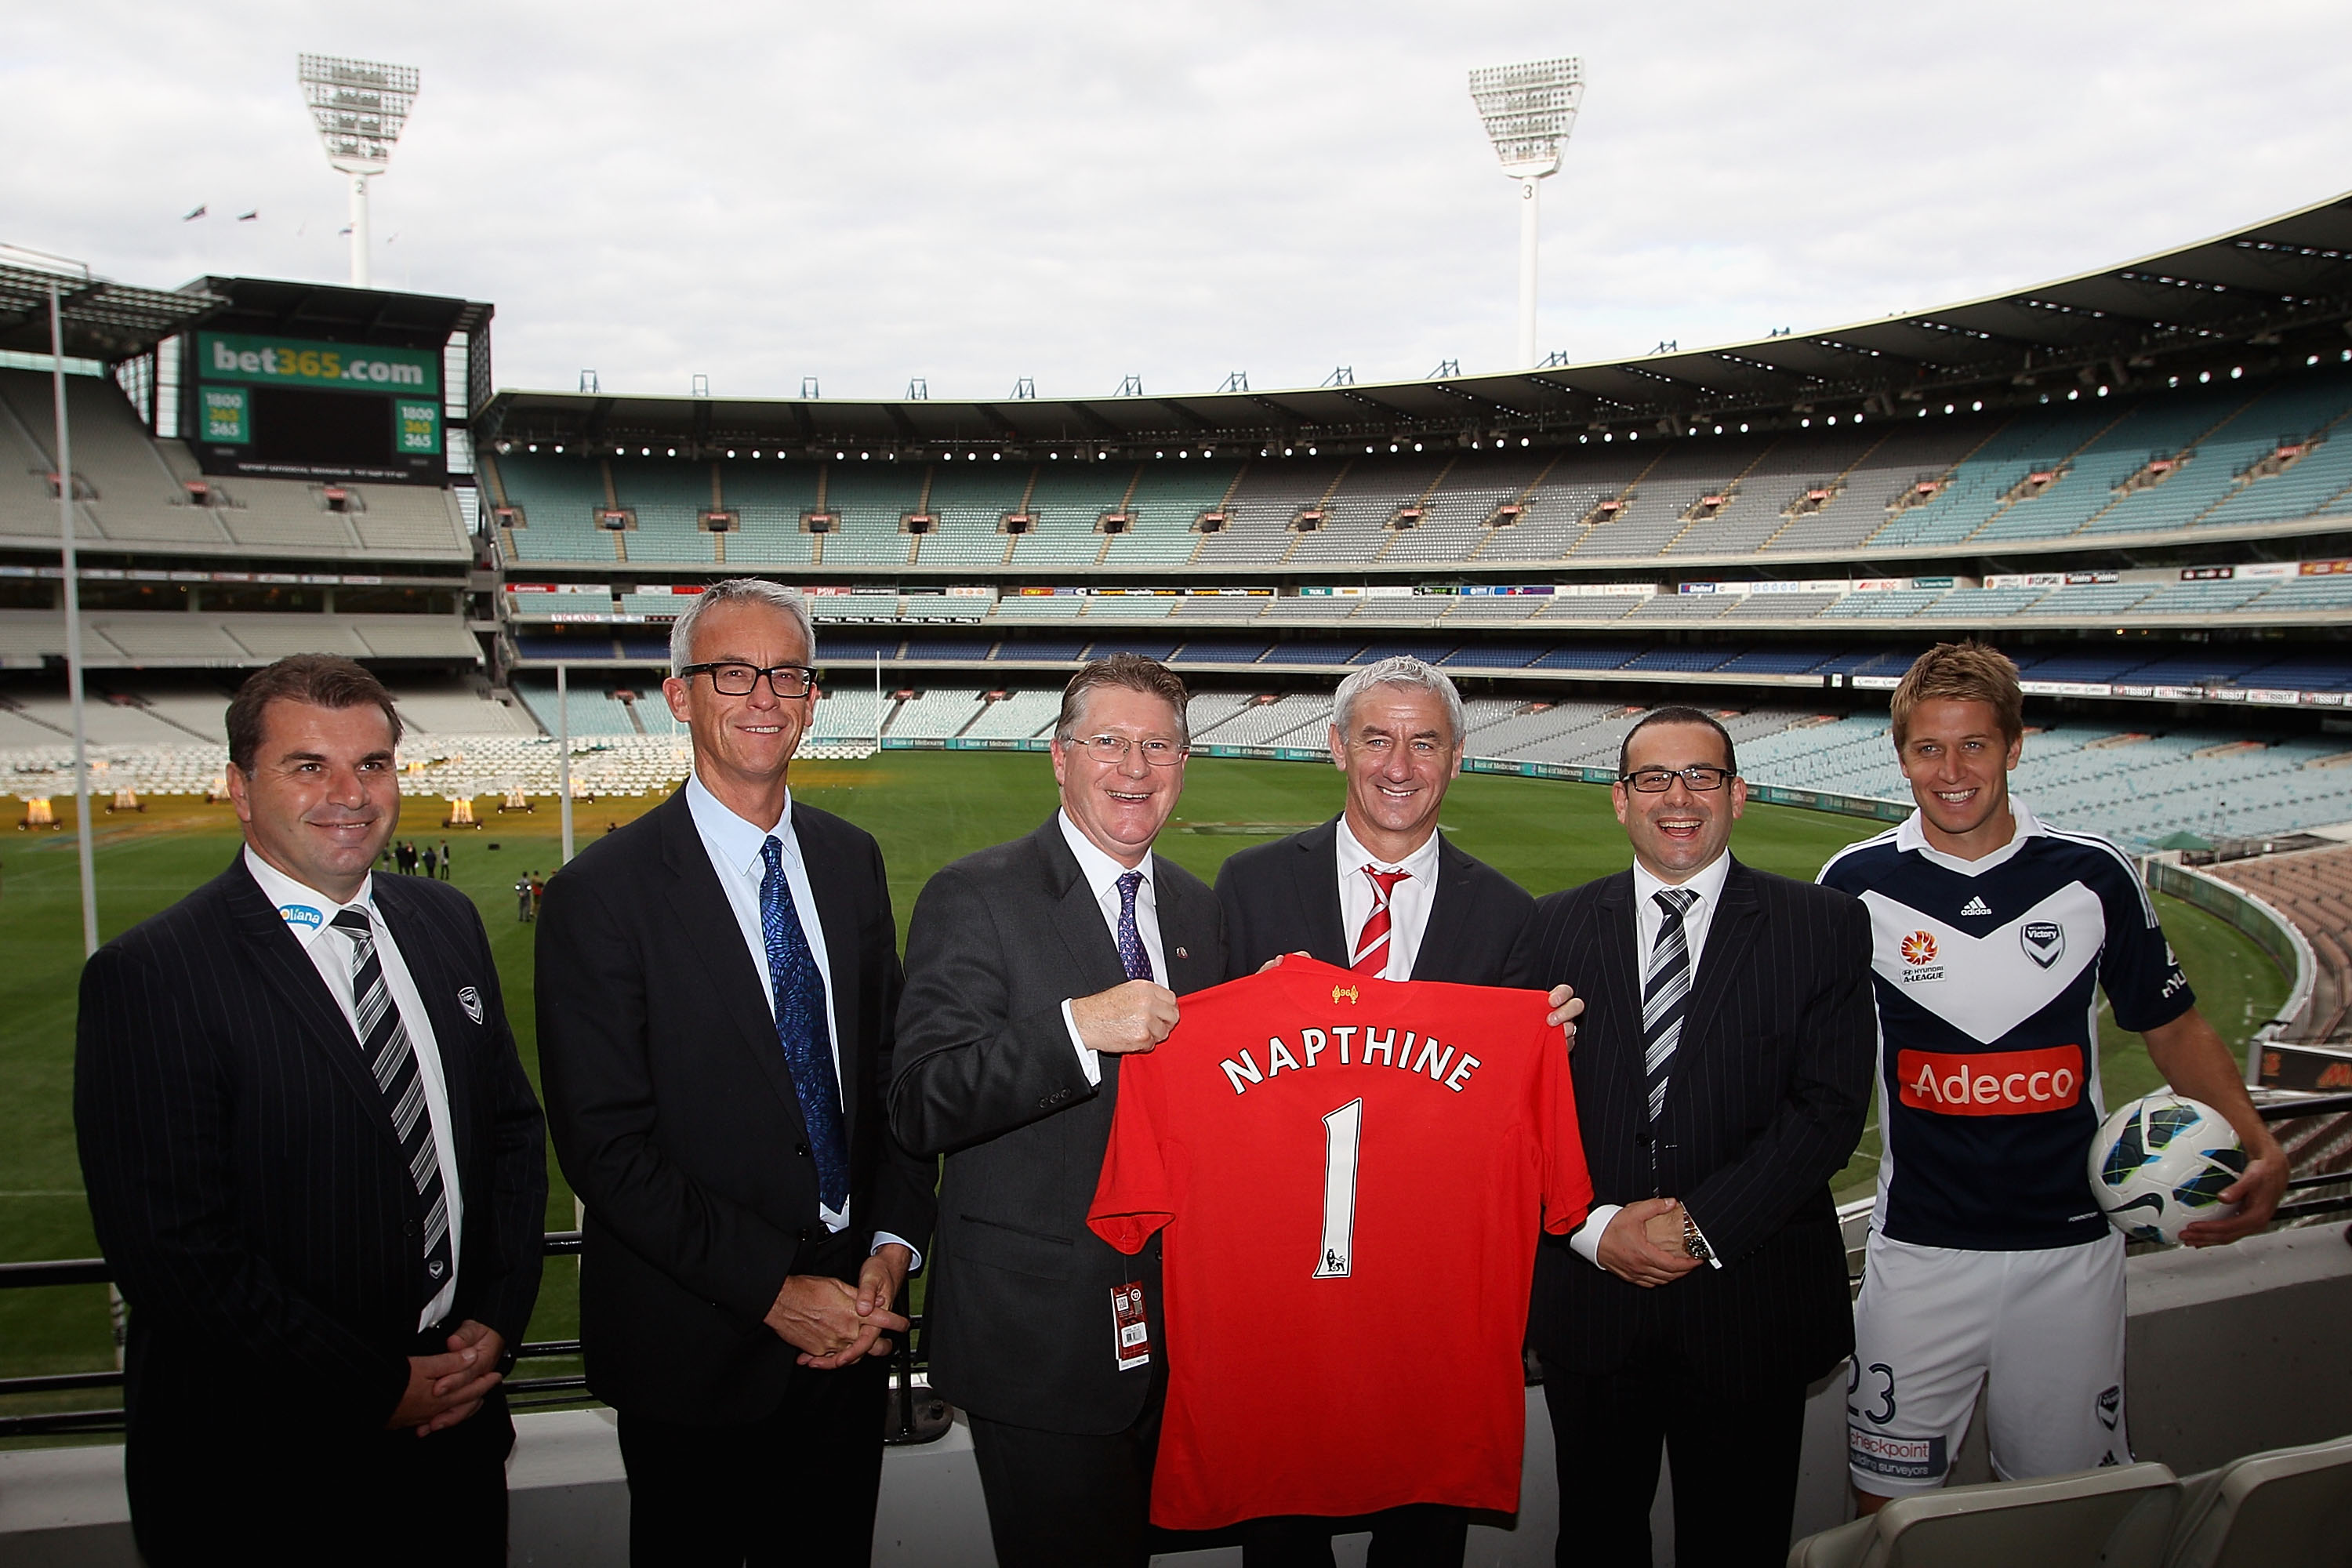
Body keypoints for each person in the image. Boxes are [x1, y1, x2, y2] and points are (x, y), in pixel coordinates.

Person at [74, 654, 546, 1566]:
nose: (350, 792)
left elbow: (510, 1131)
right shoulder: (154, 976)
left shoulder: (444, 919)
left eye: (372, 763)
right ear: (239, 788)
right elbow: (173, 1252)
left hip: (455, 1434)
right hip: (264, 1470)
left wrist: (496, 1312)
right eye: (308, 765)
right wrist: (371, 1385)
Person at [1820, 644, 2286, 1512]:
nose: (1951, 771)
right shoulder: (1853, 884)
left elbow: (2174, 1023)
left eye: (1975, 746)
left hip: (2069, 1256)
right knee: (1883, 1507)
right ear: (1901, 755)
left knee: (2068, 1507)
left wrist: (2258, 1142)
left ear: (2014, 745)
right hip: (1918, 1253)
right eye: (1928, 748)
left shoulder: (2092, 874)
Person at [536, 578, 935, 1566]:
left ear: (812, 696)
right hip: (695, 1347)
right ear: (680, 696)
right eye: (732, 671)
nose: (764, 695)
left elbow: (885, 1079)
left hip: (851, 1336)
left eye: (788, 673)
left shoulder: (851, 860)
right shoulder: (601, 894)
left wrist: (890, 1245)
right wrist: (770, 1285)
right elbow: (604, 1147)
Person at [1211, 655, 1565, 1568]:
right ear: (1336, 747)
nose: (1398, 764)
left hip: (1430, 1295)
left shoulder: (1509, 916)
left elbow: (1506, 1129)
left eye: (1424, 742)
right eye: (1376, 737)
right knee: (1282, 1529)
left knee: (1423, 1534)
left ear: (1455, 760)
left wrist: (1539, 1054)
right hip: (1282, 1287)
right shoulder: (1247, 887)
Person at [1508, 706, 1876, 1566]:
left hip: (1750, 1303)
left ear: (1737, 794)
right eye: (1652, 778)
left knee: (1740, 1541)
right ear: (1620, 800)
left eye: (1700, 776)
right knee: (1597, 1539)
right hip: (1594, 1305)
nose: (1678, 797)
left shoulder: (1820, 924)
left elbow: (1827, 1109)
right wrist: (1595, 1230)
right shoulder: (1548, 925)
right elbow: (1516, 1111)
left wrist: (1699, 1224)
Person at [890, 654, 1227, 1567]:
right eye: (1109, 741)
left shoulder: (1203, 908)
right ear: (1060, 757)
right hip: (1035, 1339)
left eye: (1159, 745)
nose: (1134, 768)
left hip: (1180, 1334)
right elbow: (921, 1101)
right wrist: (1075, 1029)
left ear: (1184, 764)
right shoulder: (976, 894)